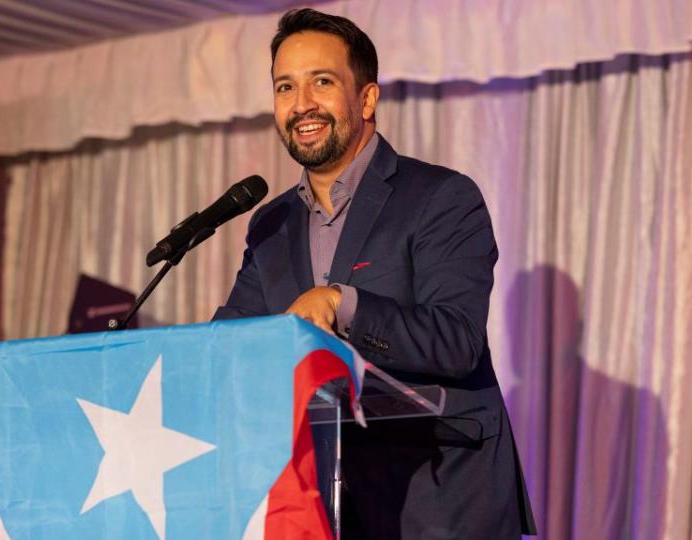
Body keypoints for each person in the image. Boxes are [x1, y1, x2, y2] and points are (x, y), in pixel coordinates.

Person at [213, 8, 536, 539]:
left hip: (438, 502)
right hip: (322, 503)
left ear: (366, 98)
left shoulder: (441, 197)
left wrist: (342, 302)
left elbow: (457, 340)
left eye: (322, 82)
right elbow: (235, 341)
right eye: (285, 87)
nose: (302, 105)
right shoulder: (270, 224)